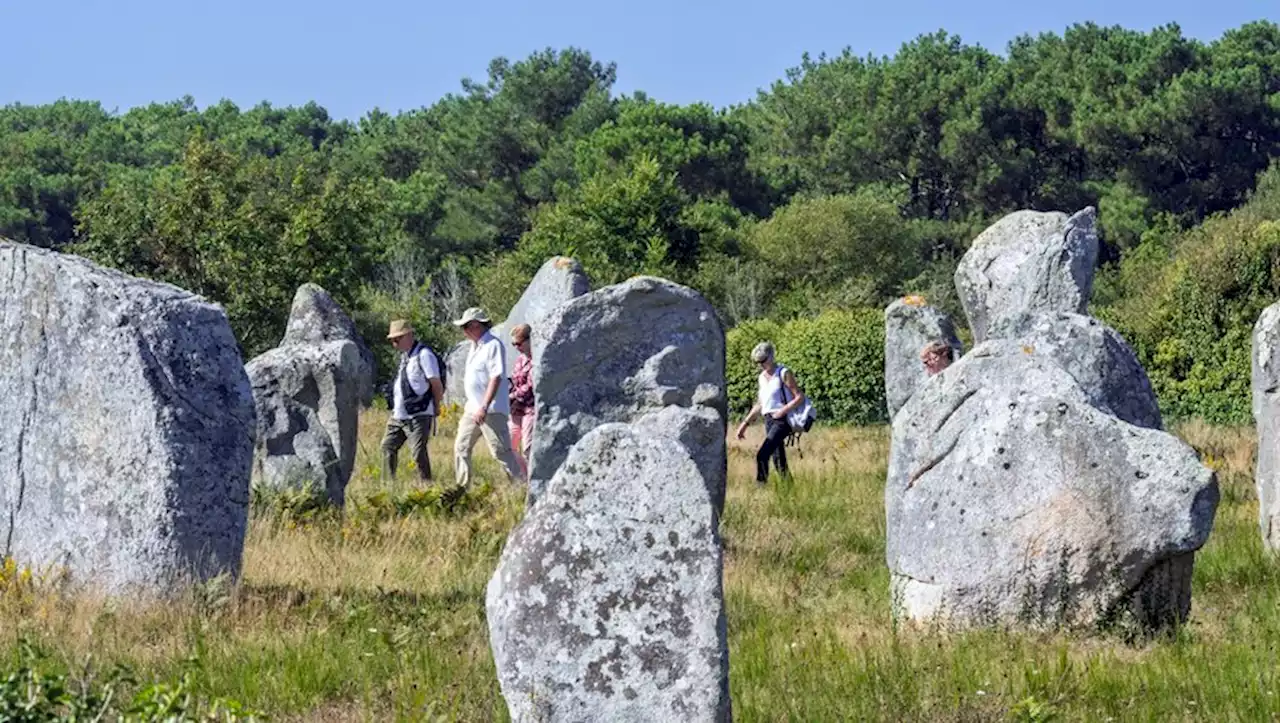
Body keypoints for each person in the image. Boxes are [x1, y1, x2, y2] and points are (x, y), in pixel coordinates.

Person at [453, 307, 524, 487]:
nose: (464, 331)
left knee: (501, 452)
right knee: (461, 447)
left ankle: (520, 488)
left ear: (476, 325)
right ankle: (462, 488)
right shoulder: (474, 346)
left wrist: (484, 406)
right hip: (472, 408)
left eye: (466, 327)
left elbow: (496, 376)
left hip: (490, 410)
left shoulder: (493, 345)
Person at [735, 341, 806, 485]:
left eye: (763, 361)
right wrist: (744, 424)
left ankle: (761, 487)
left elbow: (799, 397)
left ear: (771, 356)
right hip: (768, 420)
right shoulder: (761, 378)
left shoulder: (783, 373)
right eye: (758, 362)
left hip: (783, 420)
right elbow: (760, 404)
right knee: (778, 458)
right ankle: (788, 490)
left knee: (762, 454)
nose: (761, 365)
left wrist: (782, 411)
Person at [381, 319, 444, 483]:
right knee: (387, 447)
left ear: (409, 336)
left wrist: (437, 407)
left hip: (419, 414)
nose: (394, 343)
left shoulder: (424, 355)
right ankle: (388, 486)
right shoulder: (405, 357)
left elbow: (436, 384)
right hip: (399, 416)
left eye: (397, 339)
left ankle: (427, 485)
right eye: (392, 340)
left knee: (418, 453)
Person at [508, 323, 535, 479]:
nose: (516, 347)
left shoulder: (535, 360)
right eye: (513, 344)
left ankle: (533, 480)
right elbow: (515, 382)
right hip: (516, 410)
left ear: (529, 340)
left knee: (528, 447)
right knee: (507, 446)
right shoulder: (519, 360)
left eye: (519, 343)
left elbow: (530, 387)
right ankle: (523, 477)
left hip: (530, 409)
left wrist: (512, 396)